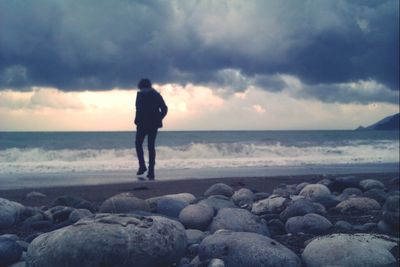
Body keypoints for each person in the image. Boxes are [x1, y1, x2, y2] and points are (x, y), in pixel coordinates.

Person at [134, 78, 168, 180]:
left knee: (140, 144)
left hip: (143, 124)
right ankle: (149, 170)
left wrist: (158, 118)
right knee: (150, 146)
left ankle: (143, 166)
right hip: (149, 124)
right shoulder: (155, 94)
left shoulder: (142, 95)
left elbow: (138, 109)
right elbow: (164, 108)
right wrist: (158, 118)